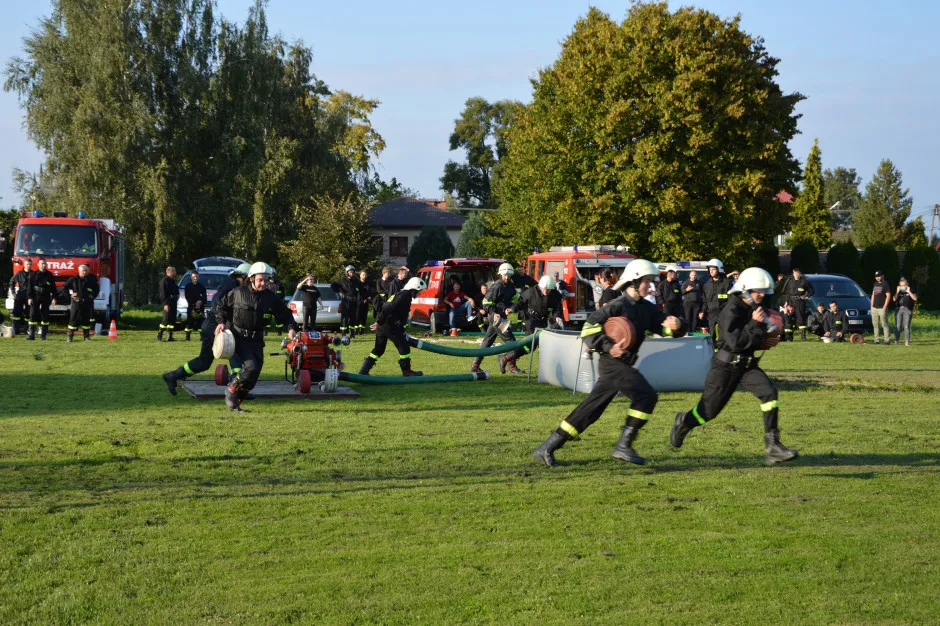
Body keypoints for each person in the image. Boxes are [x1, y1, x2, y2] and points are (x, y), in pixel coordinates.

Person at [532, 259, 686, 467]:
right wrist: (608, 346)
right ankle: (624, 445)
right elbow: (588, 329)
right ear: (633, 281)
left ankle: (547, 448)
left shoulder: (647, 309)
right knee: (646, 396)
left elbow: (667, 329)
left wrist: (678, 325)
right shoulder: (617, 305)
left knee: (591, 410)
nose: (651, 286)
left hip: (623, 365)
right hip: (611, 362)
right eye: (647, 281)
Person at [670, 267, 797, 465]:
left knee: (769, 393)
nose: (762, 295)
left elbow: (755, 340)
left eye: (763, 291)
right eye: (758, 291)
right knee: (708, 412)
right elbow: (736, 342)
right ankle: (684, 421)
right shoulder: (730, 310)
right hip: (725, 367)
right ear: (745, 289)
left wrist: (767, 333)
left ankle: (773, 446)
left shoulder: (753, 308)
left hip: (746, 365)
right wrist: (756, 326)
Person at [215, 262, 298, 412]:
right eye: (260, 279)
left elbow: (286, 314)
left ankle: (235, 405)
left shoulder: (271, 297)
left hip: (257, 340)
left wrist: (291, 328)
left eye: (266, 280)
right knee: (250, 367)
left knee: (253, 378)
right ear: (251, 278)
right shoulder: (238, 292)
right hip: (238, 337)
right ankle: (231, 389)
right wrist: (221, 322)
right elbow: (221, 306)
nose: (263, 283)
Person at [161, 263, 251, 396]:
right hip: (214, 324)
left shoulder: (234, 285)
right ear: (244, 276)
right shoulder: (232, 287)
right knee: (233, 349)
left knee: (204, 361)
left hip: (211, 324)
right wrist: (222, 322)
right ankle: (236, 387)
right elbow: (217, 302)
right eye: (251, 278)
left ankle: (173, 375)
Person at [359, 276, 426, 377]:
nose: (420, 293)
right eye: (419, 291)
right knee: (404, 348)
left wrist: (379, 322)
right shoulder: (403, 297)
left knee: (379, 349)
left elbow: (389, 308)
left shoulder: (402, 295)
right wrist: (379, 321)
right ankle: (407, 372)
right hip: (390, 326)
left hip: (384, 325)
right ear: (413, 289)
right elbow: (387, 307)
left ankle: (364, 371)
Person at [501, 275, 564, 374]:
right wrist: (512, 309)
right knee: (533, 344)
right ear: (540, 287)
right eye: (544, 289)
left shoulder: (556, 295)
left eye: (548, 290)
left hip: (542, 320)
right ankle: (507, 358)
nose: (546, 292)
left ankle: (507, 358)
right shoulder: (531, 292)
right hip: (531, 319)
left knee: (531, 346)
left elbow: (557, 309)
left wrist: (557, 317)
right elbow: (520, 301)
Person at [470, 263, 520, 374]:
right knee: (511, 341)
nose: (506, 277)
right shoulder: (496, 286)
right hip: (496, 318)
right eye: (504, 275)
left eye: (508, 275)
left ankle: (475, 366)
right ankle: (512, 366)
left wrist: (510, 308)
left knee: (487, 341)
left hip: (501, 316)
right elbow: (485, 303)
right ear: (501, 274)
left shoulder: (511, 285)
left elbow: (516, 299)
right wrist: (494, 313)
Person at [64, 264, 99, 342]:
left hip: (87, 303)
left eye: (86, 270)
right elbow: (65, 288)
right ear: (79, 271)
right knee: (73, 319)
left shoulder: (91, 280)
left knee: (86, 320)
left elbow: (96, 289)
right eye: (83, 270)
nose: (85, 272)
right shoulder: (73, 279)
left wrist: (92, 296)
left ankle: (86, 337)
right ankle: (70, 337)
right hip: (76, 303)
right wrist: (70, 295)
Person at [26, 258, 56, 341]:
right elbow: (29, 287)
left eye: (45, 263)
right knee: (32, 314)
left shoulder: (49, 275)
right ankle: (31, 335)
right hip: (35, 295)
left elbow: (53, 287)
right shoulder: (34, 274)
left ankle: (43, 335)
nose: (44, 265)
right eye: (42, 263)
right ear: (38, 265)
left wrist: (54, 298)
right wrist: (29, 297)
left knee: (45, 315)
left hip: (46, 296)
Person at [702, 258, 730, 343]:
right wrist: (703, 311)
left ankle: (724, 350)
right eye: (710, 269)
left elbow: (731, 298)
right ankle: (713, 351)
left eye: (713, 269)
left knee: (724, 333)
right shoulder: (707, 285)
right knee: (712, 333)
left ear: (719, 269)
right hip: (712, 313)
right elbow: (705, 300)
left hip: (723, 312)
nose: (711, 271)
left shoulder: (726, 283)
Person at [785, 267, 815, 340]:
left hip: (799, 302)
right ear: (793, 273)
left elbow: (812, 290)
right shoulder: (790, 281)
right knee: (790, 319)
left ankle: (803, 337)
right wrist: (786, 302)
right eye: (794, 273)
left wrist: (806, 296)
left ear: (800, 274)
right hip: (791, 302)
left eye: (797, 273)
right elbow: (788, 293)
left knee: (801, 319)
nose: (796, 275)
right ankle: (789, 337)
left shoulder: (804, 281)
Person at [331, 265, 361, 338]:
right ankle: (343, 333)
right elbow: (333, 285)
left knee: (353, 318)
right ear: (347, 272)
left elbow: (361, 289)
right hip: (345, 302)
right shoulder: (342, 280)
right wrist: (339, 292)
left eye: (353, 272)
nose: (352, 273)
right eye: (350, 272)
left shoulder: (356, 281)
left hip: (354, 302)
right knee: (344, 318)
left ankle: (352, 333)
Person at [8, 258, 33, 335]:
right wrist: (13, 293)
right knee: (17, 312)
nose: (29, 266)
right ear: (24, 265)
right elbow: (11, 282)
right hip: (20, 295)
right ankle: (16, 329)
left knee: (29, 313)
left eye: (30, 264)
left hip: (29, 296)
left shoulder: (34, 274)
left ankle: (27, 329)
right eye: (27, 264)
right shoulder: (19, 273)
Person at [183, 270, 208, 342]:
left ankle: (202, 337)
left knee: (201, 323)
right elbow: (188, 297)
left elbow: (204, 297)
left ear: (198, 277)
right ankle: (187, 337)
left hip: (200, 308)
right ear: (191, 277)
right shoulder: (188, 287)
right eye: (194, 276)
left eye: (196, 276)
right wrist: (194, 303)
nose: (195, 278)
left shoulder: (201, 287)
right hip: (191, 307)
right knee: (190, 322)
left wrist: (200, 301)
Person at [156, 266, 179, 342]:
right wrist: (165, 304)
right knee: (165, 320)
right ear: (170, 272)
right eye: (174, 271)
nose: (175, 273)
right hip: (168, 302)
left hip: (174, 302)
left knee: (172, 320)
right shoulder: (164, 281)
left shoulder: (173, 281)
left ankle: (169, 336)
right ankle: (159, 335)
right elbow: (162, 294)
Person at [870, 270, 892, 344]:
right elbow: (873, 294)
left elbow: (888, 296)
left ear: (882, 276)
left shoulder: (885, 284)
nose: (878, 278)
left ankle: (887, 340)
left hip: (882, 308)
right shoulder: (875, 284)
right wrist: (871, 305)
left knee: (884, 324)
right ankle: (876, 340)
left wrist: (885, 307)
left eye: (879, 276)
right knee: (875, 324)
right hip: (874, 308)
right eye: (876, 277)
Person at [894, 278, 917, 346]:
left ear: (907, 285)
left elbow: (915, 298)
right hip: (899, 309)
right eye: (901, 285)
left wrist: (909, 292)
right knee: (898, 326)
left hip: (907, 310)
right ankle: (897, 341)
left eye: (903, 285)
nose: (902, 287)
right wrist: (897, 292)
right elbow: (894, 299)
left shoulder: (912, 291)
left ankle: (907, 342)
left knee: (906, 326)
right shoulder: (899, 292)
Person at [356, 270, 373, 335]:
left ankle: (362, 330)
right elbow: (357, 293)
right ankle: (355, 330)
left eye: (365, 275)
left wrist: (369, 297)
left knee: (364, 317)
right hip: (358, 303)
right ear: (360, 275)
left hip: (366, 303)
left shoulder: (368, 283)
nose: (364, 276)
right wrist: (363, 299)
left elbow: (370, 292)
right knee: (357, 317)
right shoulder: (357, 283)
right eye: (363, 275)